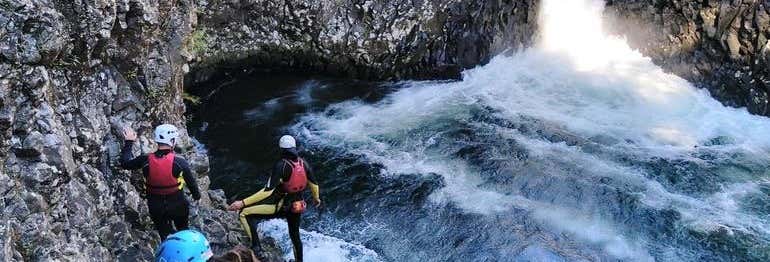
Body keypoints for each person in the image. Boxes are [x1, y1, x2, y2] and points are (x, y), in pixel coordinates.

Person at [227, 135, 321, 262]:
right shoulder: (303, 163)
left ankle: (257, 249)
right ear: (294, 147)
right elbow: (314, 184)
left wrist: (243, 203)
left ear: (281, 149)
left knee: (244, 213)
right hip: (297, 206)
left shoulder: (281, 165)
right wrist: (316, 199)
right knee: (295, 236)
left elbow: (267, 191)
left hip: (278, 207)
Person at [121, 124, 202, 240]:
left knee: (165, 237)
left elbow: (125, 163)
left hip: (156, 206)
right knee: (183, 232)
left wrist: (129, 142)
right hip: (178, 205)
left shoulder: (145, 160)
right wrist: (197, 197)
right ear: (172, 141)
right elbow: (192, 184)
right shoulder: (180, 162)